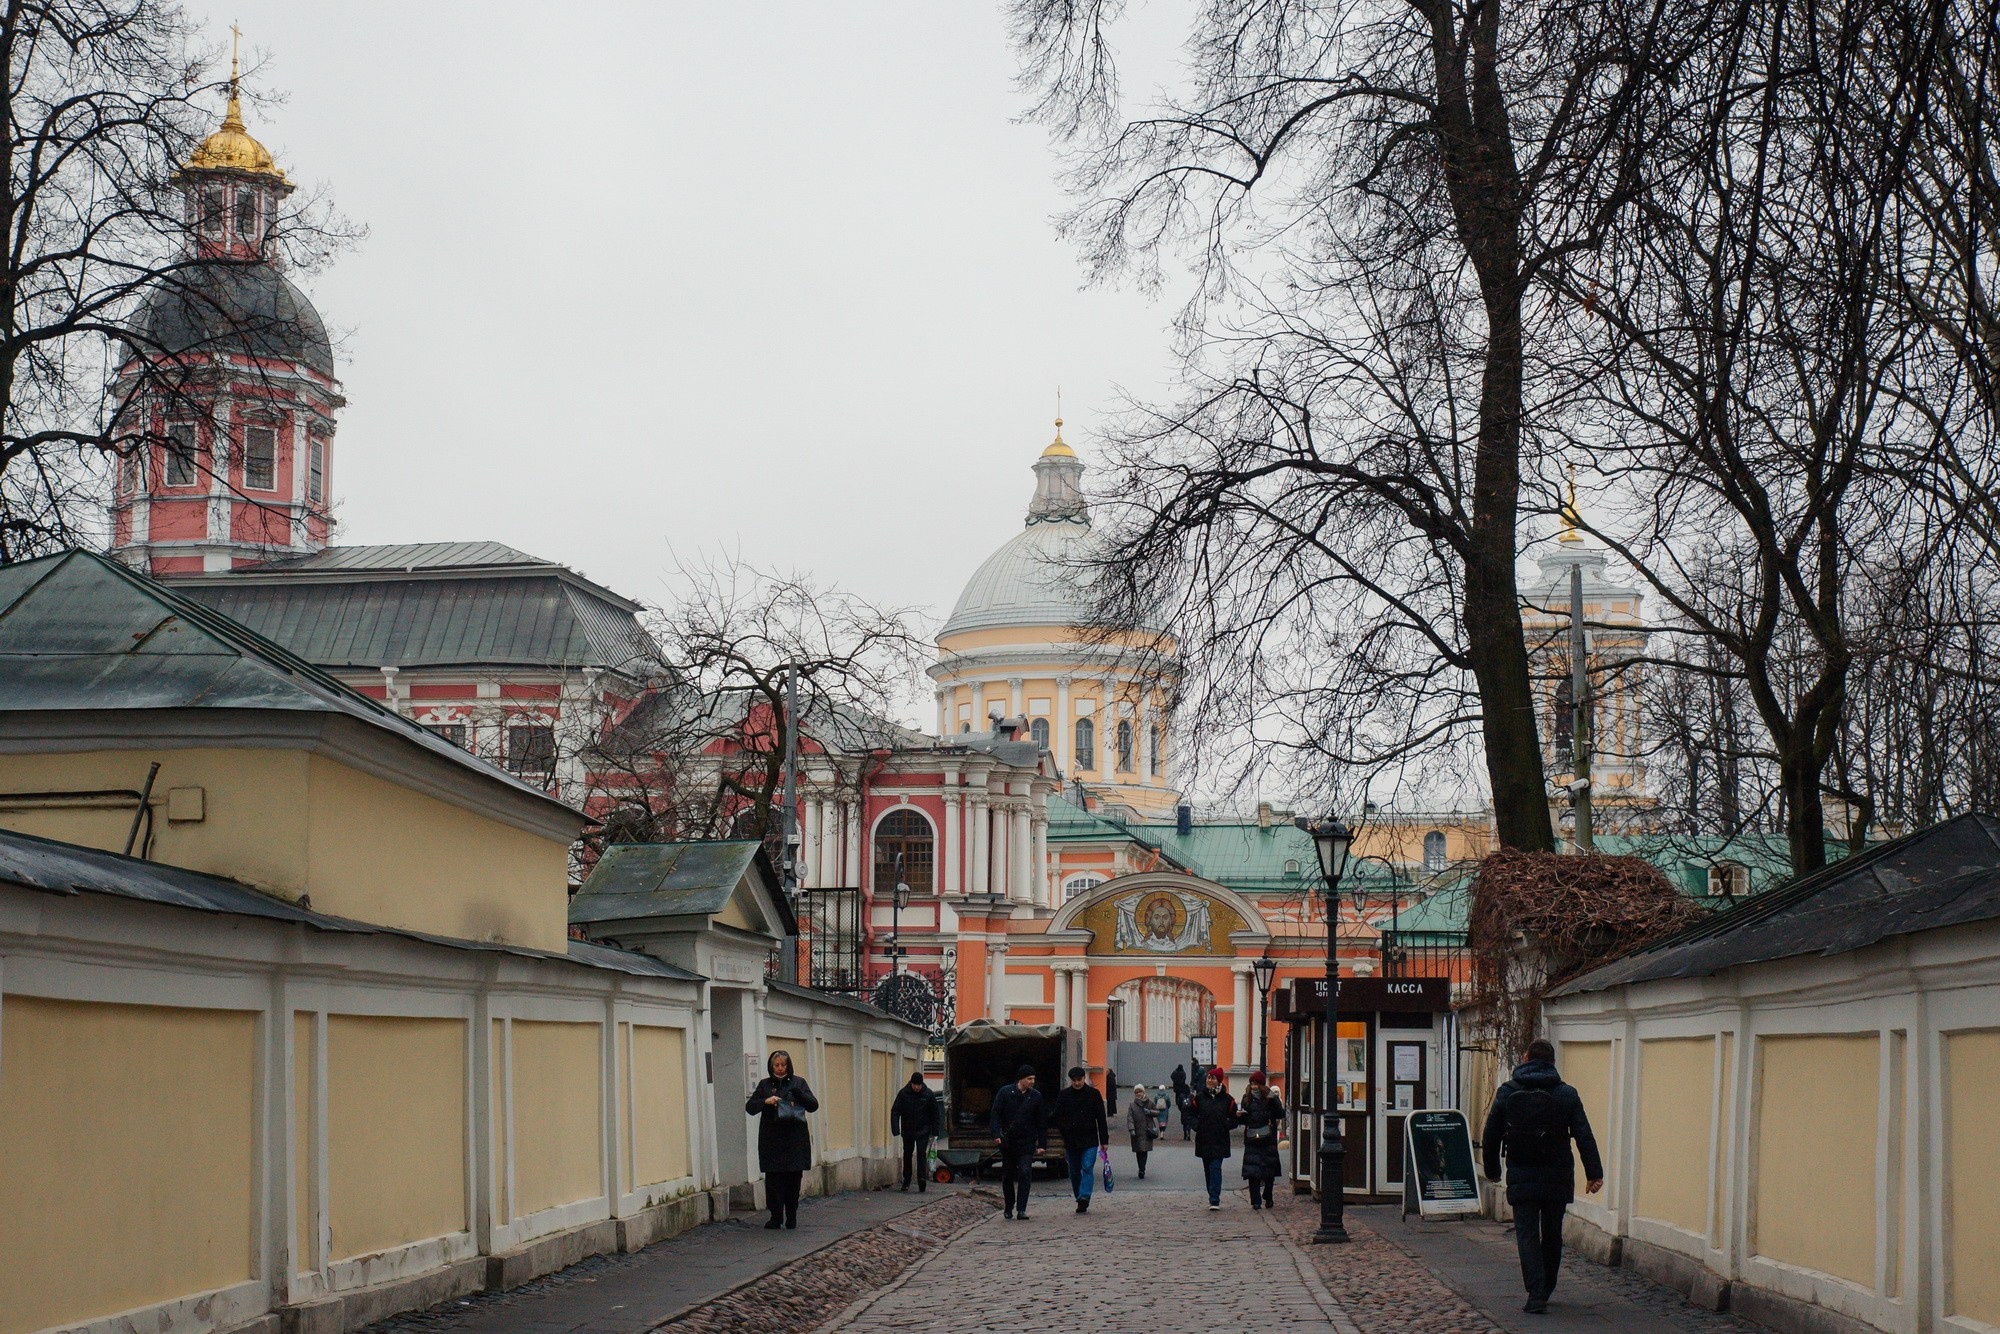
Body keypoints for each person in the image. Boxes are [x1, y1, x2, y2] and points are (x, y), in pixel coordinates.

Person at [1482, 1038, 1604, 1314]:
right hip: (1556, 1173)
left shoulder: (1507, 1091)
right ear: (1552, 1063)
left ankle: (1535, 1293)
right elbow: (1583, 1134)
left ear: (1525, 1059)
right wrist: (1594, 1173)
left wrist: (1492, 1170)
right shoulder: (1566, 1094)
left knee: (1526, 1234)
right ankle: (1547, 1286)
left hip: (1521, 1172)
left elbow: (1490, 1135)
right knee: (1552, 1233)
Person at [745, 1050, 818, 1230]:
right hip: (772, 1141)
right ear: (771, 1067)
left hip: (795, 1141)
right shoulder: (765, 1085)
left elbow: (813, 1105)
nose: (779, 1068)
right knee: (773, 1181)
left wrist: (800, 1095)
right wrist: (766, 1101)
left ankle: (791, 1215)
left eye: (782, 1065)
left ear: (788, 1066)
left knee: (793, 1181)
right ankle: (775, 1216)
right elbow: (750, 1107)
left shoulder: (798, 1082)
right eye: (776, 1065)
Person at [989, 1064, 1047, 1221]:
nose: (1032, 1081)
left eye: (1034, 1078)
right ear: (1021, 1079)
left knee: (1024, 1172)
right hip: (1009, 1142)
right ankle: (1009, 1205)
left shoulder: (1036, 1096)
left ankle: (1022, 1209)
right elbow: (995, 1114)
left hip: (1027, 1142)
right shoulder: (1005, 1093)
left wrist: (1042, 1144)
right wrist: (996, 1134)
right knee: (1007, 1175)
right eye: (1029, 1079)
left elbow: (1041, 1121)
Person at [1050, 1065, 1111, 1213]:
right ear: (1070, 1080)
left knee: (1087, 1167)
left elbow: (1101, 1119)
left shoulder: (1094, 1094)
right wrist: (1064, 1131)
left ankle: (1085, 1196)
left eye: (1079, 1079)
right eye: (1074, 1080)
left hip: (1090, 1139)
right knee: (1075, 1171)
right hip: (1071, 1140)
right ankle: (1079, 1198)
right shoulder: (1064, 1095)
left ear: (1084, 1078)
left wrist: (1104, 1140)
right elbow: (1057, 1116)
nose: (1077, 1083)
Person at [1190, 1066, 1238, 1210]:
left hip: (1219, 1139)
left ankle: (1215, 1199)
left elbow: (1234, 1118)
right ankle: (1211, 1194)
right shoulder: (1199, 1098)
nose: (1209, 1080)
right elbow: (1190, 1114)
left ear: (1219, 1081)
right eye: (1208, 1078)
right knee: (1208, 1170)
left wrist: (1225, 1125)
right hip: (1204, 1138)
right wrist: (1196, 1125)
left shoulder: (1228, 1100)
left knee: (1215, 1167)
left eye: (1213, 1078)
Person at [1239, 1070, 1285, 1210]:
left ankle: (1268, 1196)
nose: (1253, 1087)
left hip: (1267, 1138)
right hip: (1252, 1138)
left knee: (1268, 1170)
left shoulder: (1270, 1098)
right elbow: (1245, 1118)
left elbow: (1280, 1114)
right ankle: (1256, 1201)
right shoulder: (1246, 1099)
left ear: (1262, 1085)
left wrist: (1275, 1099)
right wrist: (1240, 1116)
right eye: (1252, 1083)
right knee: (1253, 1171)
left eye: (1256, 1084)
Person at [890, 1070, 941, 1193]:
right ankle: (907, 1179)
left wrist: (935, 1132)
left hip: (923, 1130)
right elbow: (895, 1111)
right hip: (908, 1130)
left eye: (919, 1085)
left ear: (922, 1084)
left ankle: (921, 1179)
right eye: (915, 1085)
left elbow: (935, 1113)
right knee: (907, 1154)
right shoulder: (903, 1094)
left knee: (921, 1153)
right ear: (911, 1084)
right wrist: (896, 1129)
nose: (917, 1087)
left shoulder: (928, 1094)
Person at [1126, 1082, 1159, 1178]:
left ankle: (1142, 1169)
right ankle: (1141, 1168)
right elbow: (1130, 1118)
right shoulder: (1132, 1105)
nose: (1138, 1094)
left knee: (1144, 1151)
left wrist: (1150, 1112)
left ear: (1143, 1092)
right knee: (1138, 1151)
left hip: (1147, 1131)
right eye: (1136, 1092)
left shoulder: (1149, 1102)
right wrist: (1131, 1129)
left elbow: (1157, 1112)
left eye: (1140, 1092)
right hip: (1136, 1132)